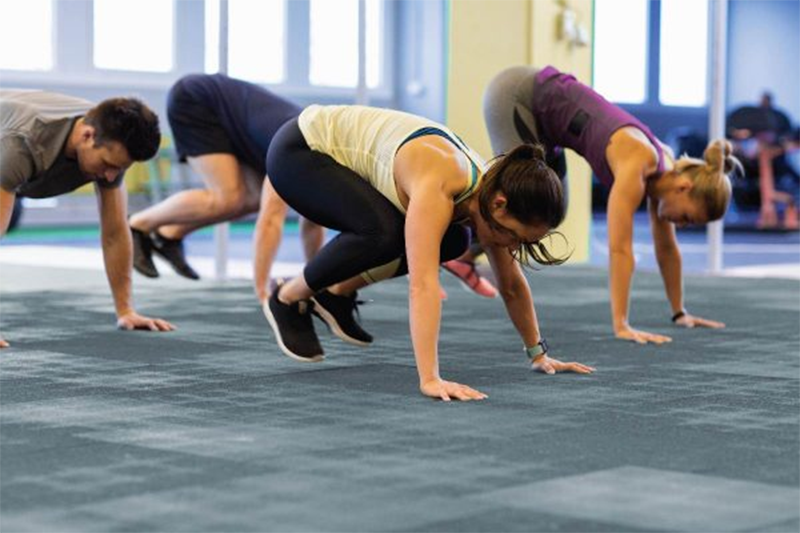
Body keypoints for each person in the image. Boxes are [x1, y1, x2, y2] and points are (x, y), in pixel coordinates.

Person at [263, 104, 595, 402]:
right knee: (382, 232)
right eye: (513, 237)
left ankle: (335, 294)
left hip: (334, 160)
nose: (511, 247)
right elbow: (422, 285)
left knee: (454, 241)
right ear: (500, 204)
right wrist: (430, 379)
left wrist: (538, 354)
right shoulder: (442, 182)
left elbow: (511, 283)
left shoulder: (493, 194)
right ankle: (287, 296)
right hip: (300, 150)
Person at [475, 65, 741, 344]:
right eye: (687, 217)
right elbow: (620, 248)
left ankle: (465, 257)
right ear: (684, 187)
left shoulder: (665, 172)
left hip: (545, 125)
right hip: (517, 96)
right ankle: (458, 248)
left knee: (553, 211)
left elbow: (667, 248)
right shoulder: (640, 161)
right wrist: (621, 324)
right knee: (522, 203)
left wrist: (679, 313)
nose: (682, 224)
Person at [0, 90, 175, 348]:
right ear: (87, 135)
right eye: (107, 164)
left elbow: (115, 232)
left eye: (121, 168)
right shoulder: (21, 143)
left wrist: (125, 310)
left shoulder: (111, 142)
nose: (112, 176)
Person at [128, 74, 324, 302]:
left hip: (234, 119)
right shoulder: (299, 153)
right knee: (228, 198)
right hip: (197, 99)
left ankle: (168, 235)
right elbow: (270, 221)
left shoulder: (320, 162)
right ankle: (135, 225)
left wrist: (319, 285)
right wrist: (262, 292)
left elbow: (314, 220)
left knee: (252, 199)